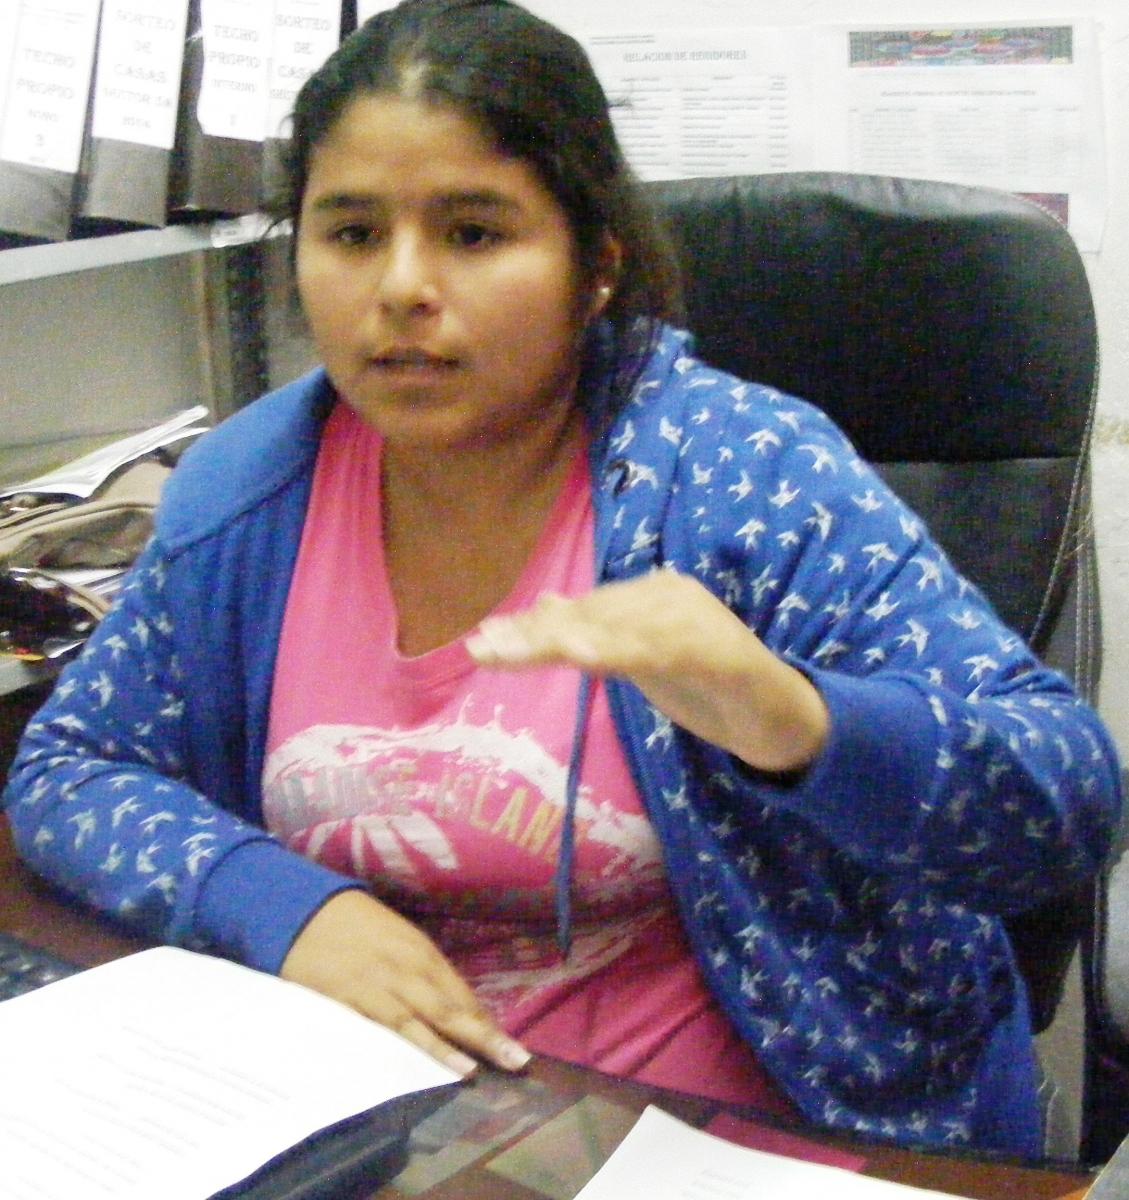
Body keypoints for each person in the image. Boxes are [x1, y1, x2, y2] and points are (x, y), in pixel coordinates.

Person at [3, 0, 1121, 1157]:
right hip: (380, 1127)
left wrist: (793, 721)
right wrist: (282, 906)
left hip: (741, 1139)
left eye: (473, 233)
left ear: (596, 267)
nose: (401, 285)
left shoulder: (740, 478)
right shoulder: (250, 490)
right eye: (351, 232)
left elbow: (1065, 799)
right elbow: (73, 768)